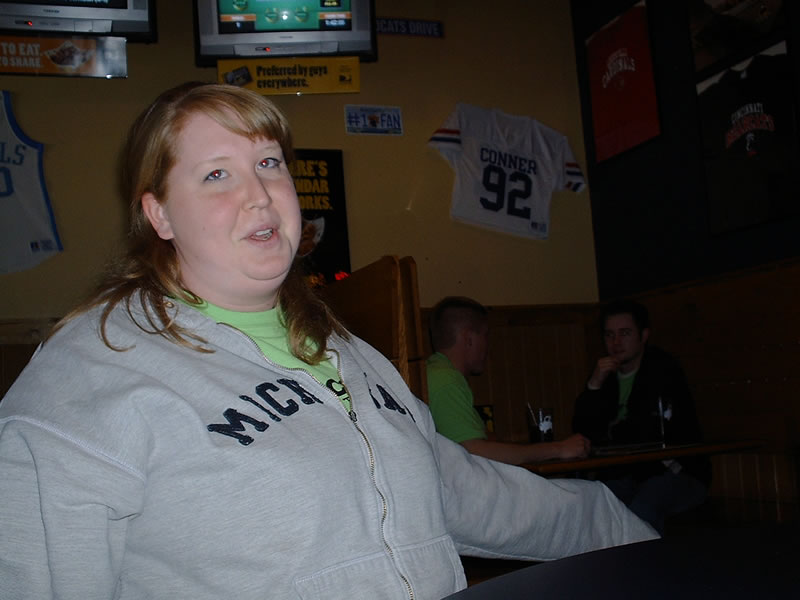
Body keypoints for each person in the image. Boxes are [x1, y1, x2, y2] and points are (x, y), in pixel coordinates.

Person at [0, 82, 657, 600]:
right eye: (216, 175)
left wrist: (624, 531)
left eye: (268, 163)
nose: (259, 194)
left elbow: (459, 488)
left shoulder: (349, 353)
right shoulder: (91, 371)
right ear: (159, 213)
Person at [572, 299, 710, 534]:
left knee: (642, 507)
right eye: (609, 335)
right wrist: (594, 385)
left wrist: (611, 434)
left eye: (624, 333)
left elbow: (648, 430)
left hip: (677, 471)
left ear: (643, 335)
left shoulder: (662, 369)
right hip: (627, 473)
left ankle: (640, 558)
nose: (616, 342)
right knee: (590, 503)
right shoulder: (605, 376)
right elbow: (583, 432)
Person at [427, 296, 591, 465]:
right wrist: (559, 449)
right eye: (485, 335)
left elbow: (484, 440)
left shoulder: (437, 372)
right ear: (469, 339)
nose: (487, 345)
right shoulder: (445, 380)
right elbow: (475, 452)